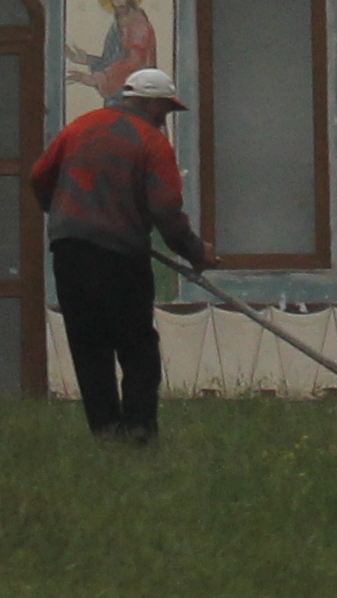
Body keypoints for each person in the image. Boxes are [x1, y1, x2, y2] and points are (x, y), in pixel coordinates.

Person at [24, 65, 207, 445]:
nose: (165, 117)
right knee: (136, 344)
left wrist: (59, 212)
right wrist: (196, 252)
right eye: (165, 109)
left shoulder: (80, 126)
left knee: (88, 344)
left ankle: (105, 432)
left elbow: (40, 176)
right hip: (122, 256)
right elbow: (166, 209)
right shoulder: (152, 142)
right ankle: (139, 429)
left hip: (69, 249)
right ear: (149, 103)